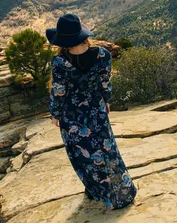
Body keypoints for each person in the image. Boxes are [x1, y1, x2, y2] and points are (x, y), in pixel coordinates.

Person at [46, 13, 137, 210]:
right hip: (97, 110)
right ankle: (123, 190)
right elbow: (105, 82)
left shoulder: (60, 62)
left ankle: (97, 189)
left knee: (83, 155)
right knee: (108, 150)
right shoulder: (103, 54)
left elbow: (59, 91)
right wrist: (106, 100)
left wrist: (55, 113)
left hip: (72, 116)